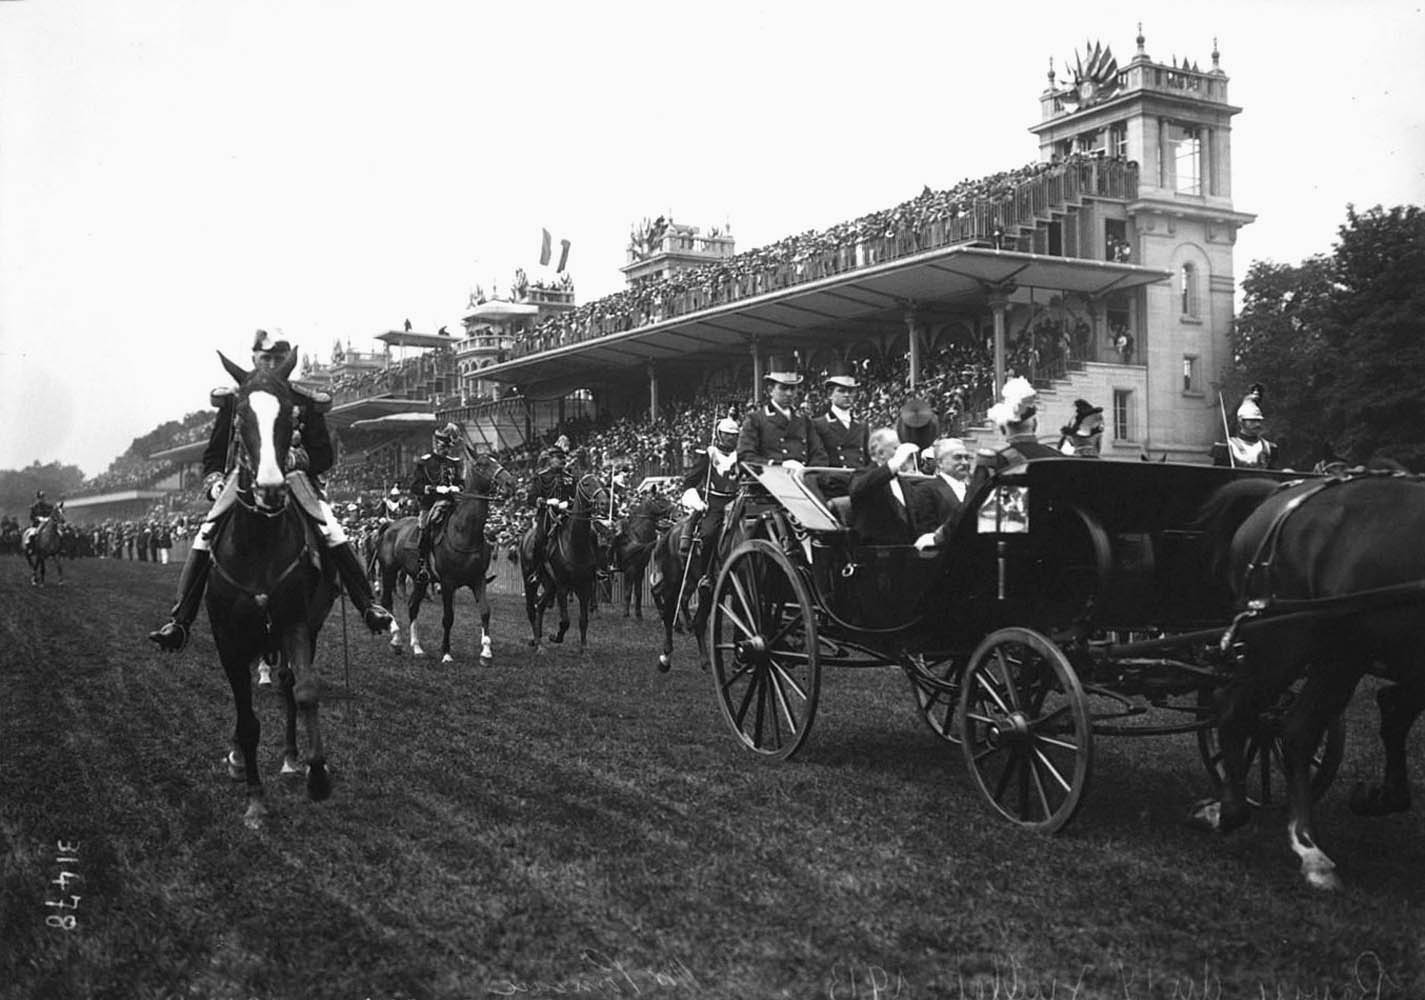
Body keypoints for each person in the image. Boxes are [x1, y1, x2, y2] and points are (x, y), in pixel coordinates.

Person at [148, 331, 394, 652]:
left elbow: (322, 456)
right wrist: (214, 482)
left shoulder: (304, 400)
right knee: (207, 531)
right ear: (253, 359)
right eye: (266, 358)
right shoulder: (236, 400)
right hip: (244, 478)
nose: (272, 364)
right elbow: (214, 453)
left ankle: (368, 604)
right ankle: (180, 620)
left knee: (333, 530)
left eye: (279, 359)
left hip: (295, 480)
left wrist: (293, 458)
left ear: (288, 364)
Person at [915, 376, 1061, 550]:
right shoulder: (1060, 458)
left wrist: (938, 537)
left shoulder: (994, 459)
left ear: (1001, 428)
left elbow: (971, 507)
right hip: (1055, 546)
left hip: (1014, 552)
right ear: (1035, 424)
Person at [678, 417, 741, 597]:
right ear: (719, 435)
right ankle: (706, 575)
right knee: (708, 533)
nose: (731, 438)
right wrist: (696, 500)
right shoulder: (710, 454)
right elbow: (690, 481)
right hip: (715, 503)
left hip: (737, 500)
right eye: (728, 435)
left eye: (734, 435)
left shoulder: (742, 455)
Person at [737, 355, 827, 472]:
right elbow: (745, 457)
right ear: (770, 390)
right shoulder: (756, 419)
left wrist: (808, 473)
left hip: (800, 482)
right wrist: (778, 466)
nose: (789, 393)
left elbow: (819, 455)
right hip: (768, 483)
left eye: (793, 388)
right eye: (783, 388)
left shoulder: (804, 421)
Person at [409, 422, 466, 584]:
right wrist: (433, 489)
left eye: (448, 445)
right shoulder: (425, 462)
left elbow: (461, 482)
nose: (446, 448)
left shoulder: (454, 462)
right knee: (425, 529)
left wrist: (457, 487)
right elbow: (415, 486)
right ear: (436, 443)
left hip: (452, 503)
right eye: (443, 444)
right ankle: (423, 566)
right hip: (430, 504)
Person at [848, 429, 925, 545]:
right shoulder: (862, 475)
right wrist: (894, 463)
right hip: (875, 551)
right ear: (880, 453)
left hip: (907, 550)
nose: (903, 455)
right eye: (896, 449)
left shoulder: (904, 483)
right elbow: (859, 488)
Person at [811, 362, 870, 490]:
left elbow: (867, 460)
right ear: (830, 394)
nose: (847, 395)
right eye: (842, 391)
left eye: (850, 391)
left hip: (860, 485)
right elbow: (818, 462)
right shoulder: (818, 424)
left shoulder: (862, 425)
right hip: (834, 486)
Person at [525, 443, 576, 582]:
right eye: (558, 458)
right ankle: (537, 571)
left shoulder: (570, 477)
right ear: (550, 459)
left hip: (567, 514)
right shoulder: (541, 477)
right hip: (547, 515)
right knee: (540, 539)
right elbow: (531, 498)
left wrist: (570, 503)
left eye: (563, 458)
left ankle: (595, 569)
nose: (561, 461)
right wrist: (546, 502)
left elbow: (576, 496)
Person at [910, 438, 972, 532]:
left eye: (966, 458)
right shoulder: (925, 490)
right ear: (940, 463)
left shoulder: (972, 490)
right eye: (958, 457)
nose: (965, 462)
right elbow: (927, 529)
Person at [1212, 384, 1278, 469]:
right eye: (1252, 421)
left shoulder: (1269, 447)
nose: (1257, 424)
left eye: (1258, 420)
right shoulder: (1227, 446)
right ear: (1241, 421)